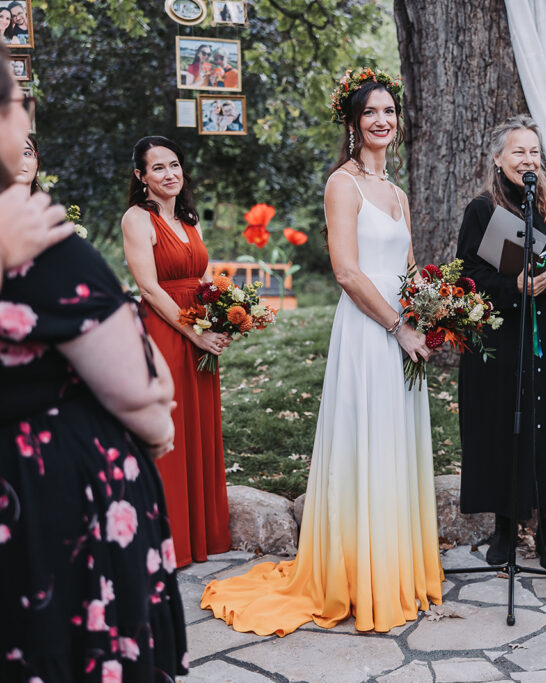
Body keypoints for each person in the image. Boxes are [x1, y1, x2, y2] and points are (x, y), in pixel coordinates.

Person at [201, 67, 443, 635]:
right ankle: (358, 577)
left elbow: (406, 267)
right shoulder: (345, 183)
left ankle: (395, 568)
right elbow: (347, 272)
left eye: (389, 112)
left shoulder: (398, 193)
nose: (382, 121)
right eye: (370, 113)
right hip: (369, 331)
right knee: (366, 440)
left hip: (404, 324)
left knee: (395, 441)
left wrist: (437, 309)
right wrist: (397, 328)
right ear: (354, 124)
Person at [0, 47, 188, 680]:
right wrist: (158, 421)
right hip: (44, 496)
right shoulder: (37, 247)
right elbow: (137, 392)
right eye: (17, 104)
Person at [456, 115, 546, 571]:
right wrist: (512, 284)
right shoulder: (482, 210)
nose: (528, 159)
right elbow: (467, 273)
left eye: (534, 151)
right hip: (503, 335)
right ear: (499, 160)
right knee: (506, 425)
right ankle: (504, 526)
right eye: (518, 151)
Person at [121, 135, 232, 568]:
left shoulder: (190, 219)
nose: (169, 174)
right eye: (158, 168)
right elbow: (148, 287)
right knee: (171, 430)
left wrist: (225, 316)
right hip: (168, 334)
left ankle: (203, 533)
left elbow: (204, 278)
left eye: (174, 165)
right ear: (141, 176)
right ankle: (173, 541)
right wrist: (194, 332)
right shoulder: (137, 219)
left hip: (200, 331)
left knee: (198, 426)